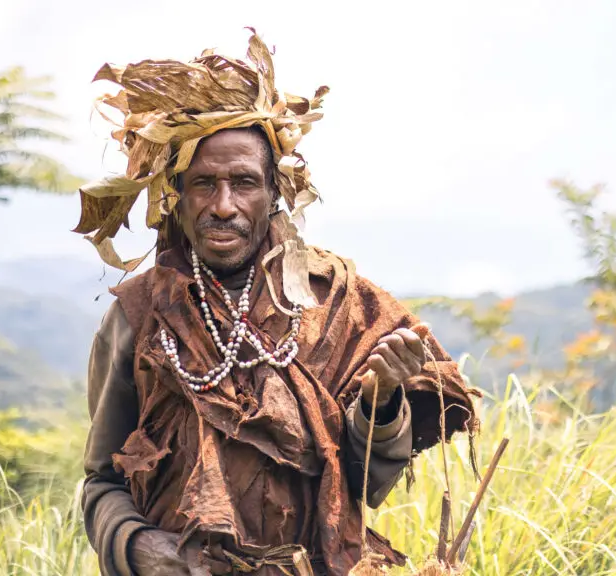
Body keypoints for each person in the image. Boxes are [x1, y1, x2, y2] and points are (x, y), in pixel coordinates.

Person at [77, 31, 479, 576]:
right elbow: (102, 480)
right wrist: (137, 546)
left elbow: (368, 482)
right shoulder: (139, 314)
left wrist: (382, 402)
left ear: (275, 193)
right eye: (204, 184)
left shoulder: (341, 307)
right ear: (177, 194)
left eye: (243, 183)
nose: (223, 206)